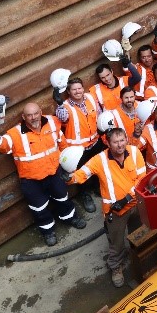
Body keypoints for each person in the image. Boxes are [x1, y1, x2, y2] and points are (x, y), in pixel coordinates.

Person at [0, 102, 86, 246]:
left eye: (36, 113)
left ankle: (70, 218)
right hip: (31, 181)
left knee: (63, 199)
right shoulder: (15, 133)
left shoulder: (53, 122)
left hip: (54, 174)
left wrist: (67, 167)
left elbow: (63, 144)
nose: (33, 117)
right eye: (29, 115)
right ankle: (48, 231)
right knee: (39, 208)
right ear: (23, 117)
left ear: (41, 112)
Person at [70, 127, 146, 287]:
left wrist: (127, 198)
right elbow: (82, 174)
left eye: (122, 140)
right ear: (108, 144)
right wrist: (69, 178)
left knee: (138, 234)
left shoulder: (134, 152)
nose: (119, 145)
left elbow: (141, 179)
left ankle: (139, 256)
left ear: (126, 139)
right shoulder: (99, 160)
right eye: (115, 142)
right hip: (115, 212)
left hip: (136, 205)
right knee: (116, 244)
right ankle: (116, 267)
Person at [55, 77, 102, 214]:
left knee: (97, 168)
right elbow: (63, 118)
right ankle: (85, 195)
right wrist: (59, 104)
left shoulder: (90, 98)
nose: (78, 91)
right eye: (74, 89)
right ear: (68, 92)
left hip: (95, 143)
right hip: (78, 150)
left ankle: (97, 187)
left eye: (79, 88)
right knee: (81, 174)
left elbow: (98, 114)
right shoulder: (65, 106)